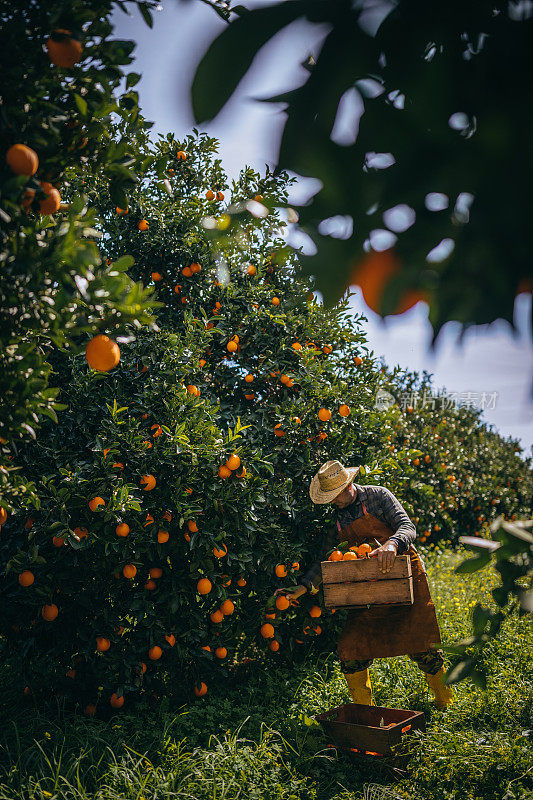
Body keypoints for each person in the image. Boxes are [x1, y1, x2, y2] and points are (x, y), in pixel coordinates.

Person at [275, 460, 453, 710]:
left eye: (335, 496)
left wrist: (392, 544)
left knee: (423, 646)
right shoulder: (336, 521)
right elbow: (326, 560)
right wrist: (304, 587)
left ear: (348, 485)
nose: (333, 502)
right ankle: (365, 712)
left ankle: (445, 703)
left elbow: (407, 526)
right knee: (351, 651)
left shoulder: (378, 497)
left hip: (404, 580)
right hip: (367, 592)